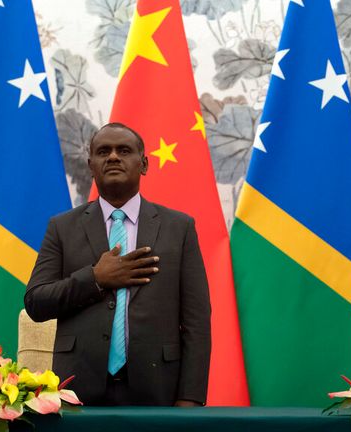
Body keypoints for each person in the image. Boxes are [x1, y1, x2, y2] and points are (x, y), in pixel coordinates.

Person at [24, 122, 211, 406]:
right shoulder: (62, 227)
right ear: (90, 166)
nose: (112, 157)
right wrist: (95, 279)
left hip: (159, 389)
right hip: (76, 391)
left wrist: (191, 397)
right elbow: (36, 302)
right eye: (103, 151)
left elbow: (197, 320)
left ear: (144, 164)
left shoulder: (179, 227)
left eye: (123, 150)